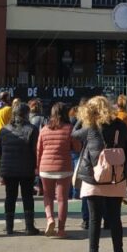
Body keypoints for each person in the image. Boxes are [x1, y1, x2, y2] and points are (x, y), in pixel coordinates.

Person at [74, 95, 127, 252]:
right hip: (115, 178)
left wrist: (82, 118)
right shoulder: (120, 125)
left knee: (94, 220)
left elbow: (73, 133)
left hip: (93, 180)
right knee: (115, 219)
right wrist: (124, 173)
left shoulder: (90, 128)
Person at [37, 102, 81, 238]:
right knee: (62, 199)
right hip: (64, 167)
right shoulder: (69, 129)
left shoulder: (44, 129)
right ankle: (61, 230)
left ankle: (50, 219)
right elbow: (78, 147)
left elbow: (39, 150)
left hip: (45, 167)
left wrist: (38, 167)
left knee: (47, 196)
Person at [0, 102, 40, 236]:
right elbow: (35, 151)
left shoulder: (4, 130)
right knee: (27, 197)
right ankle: (29, 227)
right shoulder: (32, 129)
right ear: (26, 114)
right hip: (27, 168)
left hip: (8, 169)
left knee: (10, 197)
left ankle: (9, 227)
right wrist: (37, 168)